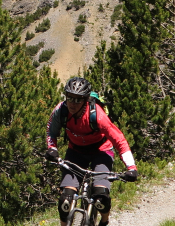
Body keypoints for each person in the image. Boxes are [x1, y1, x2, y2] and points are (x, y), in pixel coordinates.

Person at [46, 76, 138, 226]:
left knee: (101, 197)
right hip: (75, 152)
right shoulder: (61, 110)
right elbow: (51, 132)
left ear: (85, 100)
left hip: (101, 151)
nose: (72, 103)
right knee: (65, 200)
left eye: (78, 99)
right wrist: (52, 149)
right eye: (69, 97)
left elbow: (119, 140)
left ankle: (104, 220)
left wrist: (131, 167)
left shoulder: (97, 115)